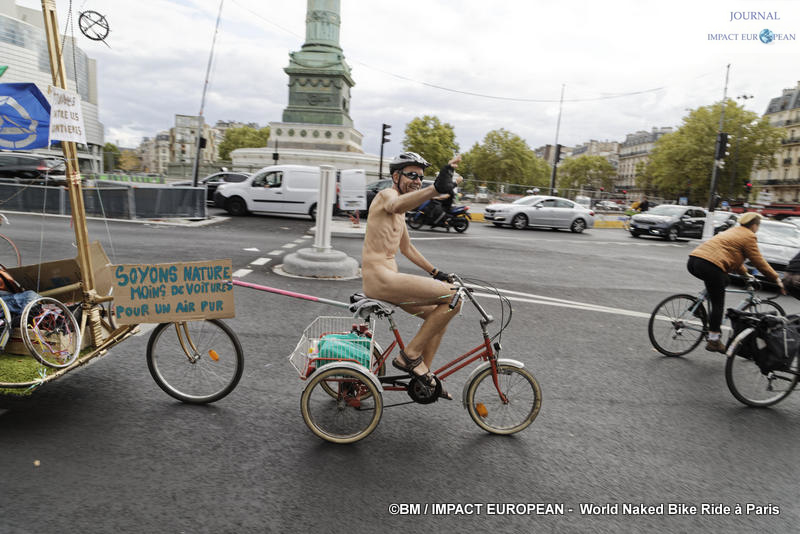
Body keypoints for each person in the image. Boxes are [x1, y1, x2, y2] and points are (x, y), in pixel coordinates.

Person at [361, 152, 463, 399]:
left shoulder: (402, 207)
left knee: (438, 317)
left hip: (389, 280)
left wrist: (436, 272)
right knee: (453, 299)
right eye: (411, 175)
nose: (417, 180)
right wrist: (434, 189)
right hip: (380, 279)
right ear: (396, 176)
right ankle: (409, 357)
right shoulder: (388, 195)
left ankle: (424, 376)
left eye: (421, 177)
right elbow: (394, 204)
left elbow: (406, 248)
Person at [686, 212, 785, 353]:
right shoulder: (749, 236)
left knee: (723, 281)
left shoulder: (733, 231)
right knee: (718, 302)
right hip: (710, 265)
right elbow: (759, 262)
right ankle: (713, 340)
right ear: (755, 225)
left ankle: (696, 306)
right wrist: (775, 278)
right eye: (758, 225)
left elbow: (735, 261)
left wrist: (746, 275)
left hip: (694, 261)